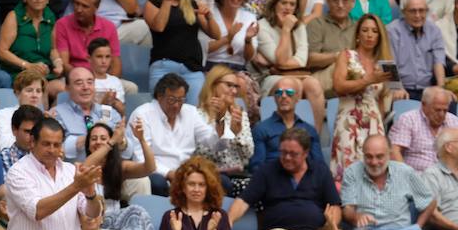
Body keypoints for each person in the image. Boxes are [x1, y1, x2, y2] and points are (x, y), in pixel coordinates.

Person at [229, 127, 361, 230]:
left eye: (293, 154)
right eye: (283, 152)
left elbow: (334, 207)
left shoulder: (320, 171)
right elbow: (243, 201)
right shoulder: (267, 171)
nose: (287, 157)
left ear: (306, 153)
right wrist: (228, 221)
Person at [330, 14, 399, 183]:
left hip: (374, 121)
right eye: (365, 30)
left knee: (375, 168)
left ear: (380, 36)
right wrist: (368, 80)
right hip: (349, 118)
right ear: (358, 34)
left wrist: (396, 90)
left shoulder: (383, 63)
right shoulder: (347, 56)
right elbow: (338, 87)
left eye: (374, 31)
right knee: (346, 168)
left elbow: (383, 98)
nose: (369, 35)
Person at [341, 135, 431, 230]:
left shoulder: (405, 172)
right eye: (369, 156)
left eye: (379, 156)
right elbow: (347, 210)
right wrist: (357, 216)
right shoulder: (352, 172)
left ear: (389, 154)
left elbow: (429, 201)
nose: (374, 162)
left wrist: (418, 226)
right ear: (363, 154)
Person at [129, 74, 220, 197]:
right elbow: (140, 158)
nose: (177, 105)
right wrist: (169, 173)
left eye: (181, 100)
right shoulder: (143, 114)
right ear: (159, 97)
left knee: (222, 181)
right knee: (157, 182)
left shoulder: (191, 112)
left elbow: (213, 144)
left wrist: (221, 124)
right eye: (172, 100)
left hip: (187, 173)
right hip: (156, 174)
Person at [250, 0, 325, 132]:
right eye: (283, 3)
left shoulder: (300, 27)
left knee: (313, 84)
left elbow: (302, 60)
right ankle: (291, 135)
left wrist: (282, 64)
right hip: (270, 79)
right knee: (293, 84)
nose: (288, 8)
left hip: (297, 74)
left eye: (292, 4)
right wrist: (285, 30)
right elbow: (279, 60)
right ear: (274, 4)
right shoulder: (262, 26)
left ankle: (315, 136)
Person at [145, 0, 220, 107]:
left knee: (195, 113)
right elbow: (159, 27)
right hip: (164, 66)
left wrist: (209, 16)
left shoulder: (191, 5)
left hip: (192, 69)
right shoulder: (153, 4)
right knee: (161, 112)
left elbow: (216, 35)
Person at [84, 121, 156, 229]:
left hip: (115, 225)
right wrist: (112, 141)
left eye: (103, 138)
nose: (98, 142)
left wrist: (141, 139)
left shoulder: (119, 167)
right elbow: (87, 166)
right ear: (88, 146)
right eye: (94, 139)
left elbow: (150, 168)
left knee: (137, 212)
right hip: (91, 224)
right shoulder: (81, 168)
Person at [194, 66, 253, 196]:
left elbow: (248, 154)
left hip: (238, 176)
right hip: (208, 175)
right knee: (224, 183)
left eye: (236, 86)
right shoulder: (197, 115)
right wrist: (225, 128)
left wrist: (236, 134)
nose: (234, 91)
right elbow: (203, 153)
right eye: (229, 85)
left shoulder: (239, 114)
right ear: (213, 84)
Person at [55, 0, 129, 91]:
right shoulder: (62, 24)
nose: (79, 9)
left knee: (131, 88)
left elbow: (116, 64)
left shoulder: (109, 27)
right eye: (77, 4)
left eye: (85, 6)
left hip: (102, 79)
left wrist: (108, 83)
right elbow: (64, 64)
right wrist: (85, 80)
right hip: (74, 78)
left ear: (96, 6)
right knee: (59, 88)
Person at [0, 0, 65, 99]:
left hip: (44, 74)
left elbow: (53, 49)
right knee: (39, 90)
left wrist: (58, 63)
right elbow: (2, 52)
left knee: (62, 91)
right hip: (18, 73)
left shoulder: (50, 16)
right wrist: (27, 65)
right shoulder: (14, 16)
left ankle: (53, 115)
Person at [249, 77, 324, 171]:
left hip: (304, 181)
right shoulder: (261, 129)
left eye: (289, 92)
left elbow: (320, 166)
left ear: (297, 98)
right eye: (279, 92)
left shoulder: (309, 130)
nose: (284, 96)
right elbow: (256, 167)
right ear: (275, 98)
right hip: (272, 180)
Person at [55, 67, 123, 163]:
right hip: (75, 171)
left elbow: (128, 152)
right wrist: (92, 137)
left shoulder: (109, 112)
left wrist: (122, 141)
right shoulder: (57, 114)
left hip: (109, 169)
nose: (86, 87)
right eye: (79, 83)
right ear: (67, 88)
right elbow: (57, 149)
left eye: (90, 82)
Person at [386, 0, 446, 101]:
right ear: (403, 12)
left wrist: (441, 88)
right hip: (401, 87)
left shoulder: (434, 31)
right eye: (413, 11)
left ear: (427, 11)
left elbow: (439, 62)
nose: (417, 15)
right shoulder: (392, 31)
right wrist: (397, 88)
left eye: (421, 10)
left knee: (446, 101)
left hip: (427, 89)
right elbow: (389, 64)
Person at [390, 86, 458, 173]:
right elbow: (394, 151)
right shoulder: (408, 119)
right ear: (424, 105)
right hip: (417, 177)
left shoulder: (453, 121)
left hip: (447, 178)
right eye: (437, 110)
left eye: (445, 110)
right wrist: (407, 177)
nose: (441, 114)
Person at [307, 0, 357, 98]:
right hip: (321, 76)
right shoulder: (316, 24)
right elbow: (310, 59)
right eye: (335, 0)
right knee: (342, 66)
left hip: (353, 75)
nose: (340, 5)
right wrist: (338, 56)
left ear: (353, 3)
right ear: (327, 2)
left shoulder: (357, 26)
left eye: (345, 1)